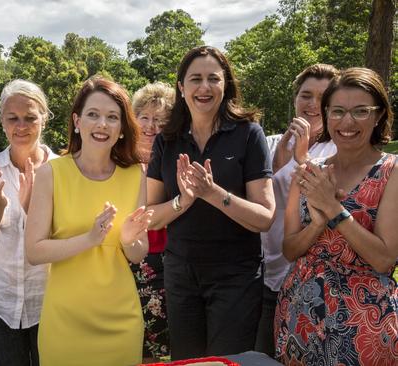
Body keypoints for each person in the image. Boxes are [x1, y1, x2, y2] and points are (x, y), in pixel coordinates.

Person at [146, 46, 275, 359]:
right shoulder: (167, 139)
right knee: (187, 362)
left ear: (226, 85)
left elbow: (265, 217)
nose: (204, 87)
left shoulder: (248, 134)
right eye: (195, 79)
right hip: (181, 274)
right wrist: (184, 200)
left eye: (213, 79)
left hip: (236, 277)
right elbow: (150, 216)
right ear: (181, 87)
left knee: (226, 362)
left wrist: (213, 193)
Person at [25, 76, 152, 365]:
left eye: (112, 117)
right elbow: (33, 252)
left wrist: (129, 238)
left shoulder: (135, 175)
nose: (102, 124)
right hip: (65, 322)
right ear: (77, 121)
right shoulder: (50, 174)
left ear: (122, 129)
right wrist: (89, 239)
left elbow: (137, 254)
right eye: (93, 115)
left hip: (121, 321)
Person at [275, 67, 397, 364]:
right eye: (338, 111)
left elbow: (384, 259)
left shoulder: (391, 172)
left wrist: (331, 209)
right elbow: (290, 249)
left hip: (364, 324)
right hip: (298, 316)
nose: (347, 122)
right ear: (326, 114)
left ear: (378, 115)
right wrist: (316, 224)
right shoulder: (308, 172)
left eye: (361, 111)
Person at [0, 79, 57, 366]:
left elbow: (64, 235)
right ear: (2, 121)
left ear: (44, 119)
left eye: (30, 117)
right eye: (12, 118)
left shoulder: (61, 169)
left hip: (50, 301)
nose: (21, 126)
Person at [254, 64, 339, 357]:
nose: (313, 104)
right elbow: (253, 196)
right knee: (258, 353)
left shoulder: (336, 149)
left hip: (305, 274)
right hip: (263, 268)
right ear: (295, 99)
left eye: (323, 97)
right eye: (306, 95)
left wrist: (301, 158)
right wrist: (278, 162)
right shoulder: (270, 142)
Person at [130, 82, 175, 362]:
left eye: (159, 120)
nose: (150, 126)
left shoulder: (174, 159)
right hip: (130, 261)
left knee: (163, 347)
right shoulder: (119, 160)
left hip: (169, 261)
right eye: (144, 118)